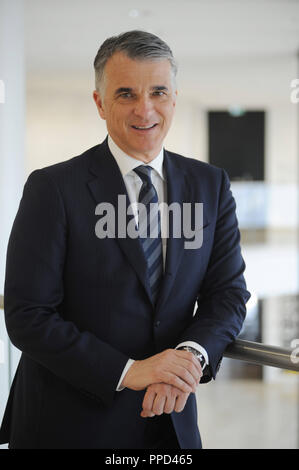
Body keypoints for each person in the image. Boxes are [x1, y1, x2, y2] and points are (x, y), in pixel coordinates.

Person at [0, 30, 250, 449]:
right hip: (68, 425)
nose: (145, 109)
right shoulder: (54, 188)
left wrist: (188, 359)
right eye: (126, 94)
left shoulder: (211, 185)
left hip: (169, 424)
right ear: (100, 103)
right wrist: (130, 370)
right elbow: (27, 314)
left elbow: (227, 293)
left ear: (174, 96)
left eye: (158, 91)